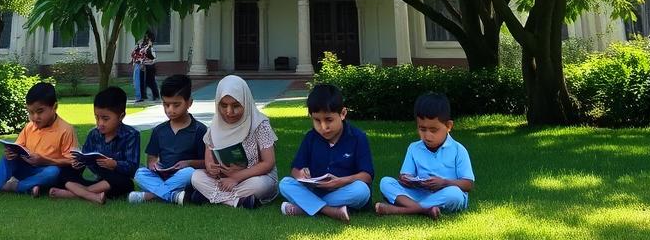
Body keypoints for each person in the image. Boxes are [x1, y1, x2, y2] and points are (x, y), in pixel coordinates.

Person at [0, 81, 76, 203]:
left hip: (46, 173)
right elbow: (18, 147)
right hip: (26, 169)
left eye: (40, 111)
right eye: (31, 112)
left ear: (54, 107)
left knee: (53, 172)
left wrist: (45, 160)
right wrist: (11, 153)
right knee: (8, 158)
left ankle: (8, 186)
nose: (35, 117)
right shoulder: (29, 127)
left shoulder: (66, 130)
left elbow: (72, 161)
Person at [279, 82, 373, 222]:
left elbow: (367, 176)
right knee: (285, 184)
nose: (323, 127)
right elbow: (295, 169)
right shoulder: (311, 138)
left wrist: (339, 182)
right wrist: (301, 175)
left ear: (342, 114)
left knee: (362, 191)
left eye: (328, 120)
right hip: (316, 190)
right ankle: (330, 211)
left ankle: (305, 207)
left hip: (344, 191)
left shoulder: (357, 137)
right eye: (317, 120)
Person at [375, 92, 474, 218]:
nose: (427, 136)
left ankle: (400, 210)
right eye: (422, 129)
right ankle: (426, 210)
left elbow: (468, 184)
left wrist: (444, 183)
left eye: (434, 130)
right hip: (420, 194)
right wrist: (407, 180)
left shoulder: (458, 150)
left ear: (448, 126)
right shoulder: (414, 148)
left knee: (454, 194)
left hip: (445, 194)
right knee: (386, 182)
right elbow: (405, 175)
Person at [189, 75, 278, 209]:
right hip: (223, 180)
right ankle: (238, 201)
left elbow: (268, 163)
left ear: (246, 102)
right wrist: (211, 167)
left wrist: (236, 177)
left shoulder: (259, 124)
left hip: (254, 178)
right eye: (224, 106)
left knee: (259, 186)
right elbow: (209, 160)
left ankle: (209, 197)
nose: (229, 112)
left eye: (236, 105)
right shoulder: (215, 125)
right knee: (196, 177)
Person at [50, 85, 140, 203]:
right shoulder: (94, 134)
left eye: (105, 119)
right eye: (97, 118)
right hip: (96, 180)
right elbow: (85, 156)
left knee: (125, 183)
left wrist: (115, 164)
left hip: (114, 180)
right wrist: (78, 162)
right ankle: (91, 195)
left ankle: (77, 193)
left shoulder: (131, 135)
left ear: (121, 116)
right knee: (64, 172)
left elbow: (133, 168)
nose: (100, 123)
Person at [131, 73, 207, 205]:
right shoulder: (159, 130)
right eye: (166, 105)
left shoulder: (199, 130)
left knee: (189, 173)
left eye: (176, 105)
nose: (170, 110)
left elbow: (206, 162)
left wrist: (189, 163)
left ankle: (149, 196)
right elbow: (151, 157)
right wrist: (153, 164)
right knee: (140, 173)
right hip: (161, 175)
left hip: (184, 177)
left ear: (189, 103)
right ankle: (173, 196)